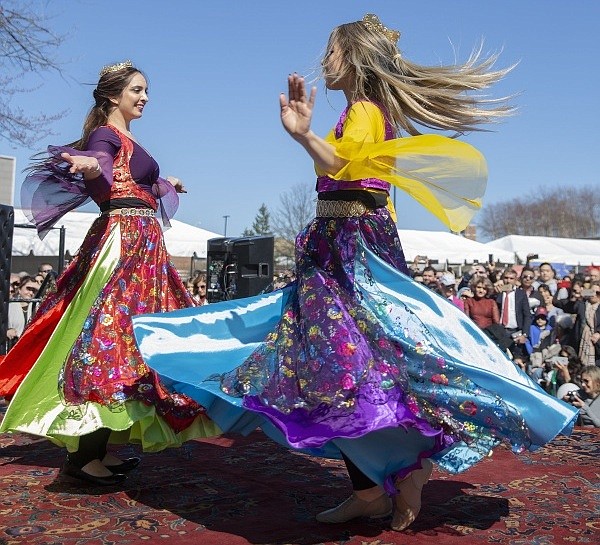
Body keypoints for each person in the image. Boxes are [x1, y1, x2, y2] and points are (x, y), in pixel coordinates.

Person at [132, 15, 577, 532]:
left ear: (357, 59)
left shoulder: (364, 110)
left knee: (348, 367)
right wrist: (311, 141)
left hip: (350, 251)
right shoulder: (358, 112)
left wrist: (303, 137)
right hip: (340, 246)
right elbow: (340, 166)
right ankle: (371, 488)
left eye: (333, 51)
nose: (325, 61)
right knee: (342, 371)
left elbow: (344, 166)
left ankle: (413, 465)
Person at [0, 61, 219, 486]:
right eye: (137, 89)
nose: (145, 97)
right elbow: (101, 167)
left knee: (130, 343)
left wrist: (164, 182)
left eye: (146, 90)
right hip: (122, 245)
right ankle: (85, 457)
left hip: (143, 247)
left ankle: (95, 451)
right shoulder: (105, 135)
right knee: (109, 340)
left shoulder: (129, 138)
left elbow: (133, 185)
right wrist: (87, 166)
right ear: (112, 96)